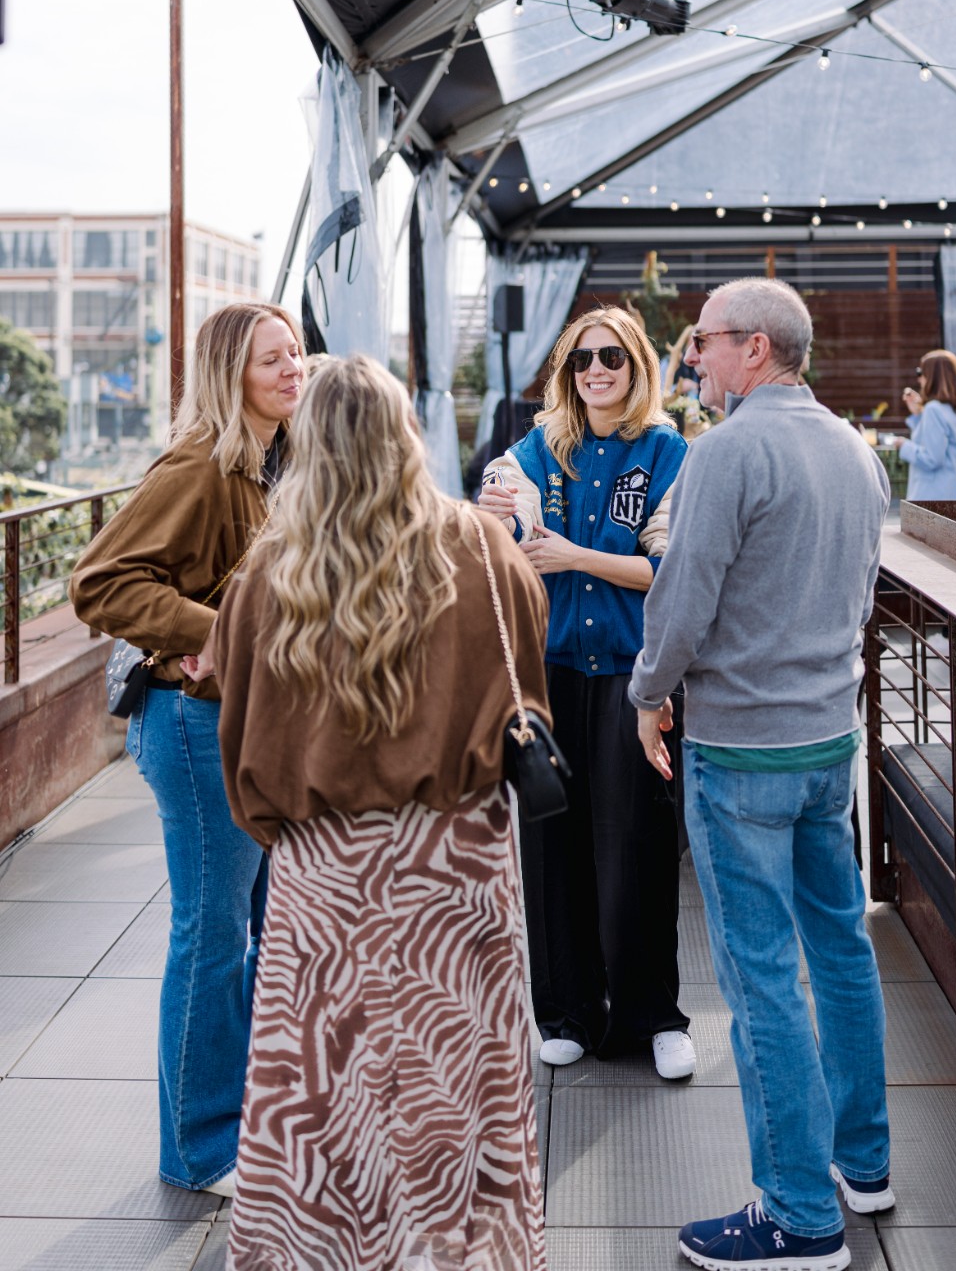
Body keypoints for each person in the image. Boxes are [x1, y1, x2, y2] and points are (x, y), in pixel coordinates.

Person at [210, 356, 549, 1271]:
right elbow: (529, 692)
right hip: (458, 863)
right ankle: (462, 1250)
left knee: (323, 1081)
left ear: (308, 443)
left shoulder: (265, 578)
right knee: (458, 1071)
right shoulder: (482, 551)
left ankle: (325, 1250)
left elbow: (242, 743)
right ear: (407, 435)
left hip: (325, 870)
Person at [629, 277, 892, 1271]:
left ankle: (795, 1215)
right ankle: (858, 1166)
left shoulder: (725, 451)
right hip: (827, 741)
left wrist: (646, 695)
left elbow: (683, 594)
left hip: (738, 747)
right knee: (837, 951)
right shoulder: (853, 451)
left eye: (698, 342)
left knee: (760, 982)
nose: (689, 358)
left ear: (752, 347)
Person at [70, 303, 305, 1196]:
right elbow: (100, 579)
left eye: (296, 355)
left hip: (238, 721)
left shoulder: (270, 460)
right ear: (228, 376)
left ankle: (238, 1122)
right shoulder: (201, 466)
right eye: (271, 360)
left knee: (240, 935)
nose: (292, 371)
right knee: (211, 937)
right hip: (192, 724)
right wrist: (221, 630)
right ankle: (198, 1148)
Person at [479, 307, 694, 1080]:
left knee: (636, 841)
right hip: (549, 672)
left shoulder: (671, 454)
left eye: (611, 357)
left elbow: (671, 571)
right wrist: (500, 517)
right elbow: (503, 515)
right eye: (580, 359)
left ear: (637, 365)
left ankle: (652, 1015)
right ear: (565, 371)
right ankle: (566, 1008)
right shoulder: (535, 452)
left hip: (636, 677)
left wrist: (573, 555)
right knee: (551, 841)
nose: (596, 371)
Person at [892, 349, 956, 500]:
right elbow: (953, 449)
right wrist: (919, 415)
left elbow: (932, 458)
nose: (919, 379)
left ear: (932, 376)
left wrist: (903, 445)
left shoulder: (934, 409)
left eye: (921, 373)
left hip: (935, 496)